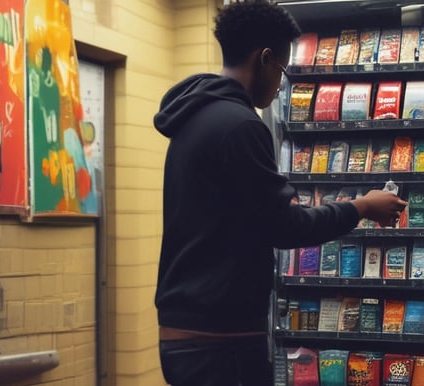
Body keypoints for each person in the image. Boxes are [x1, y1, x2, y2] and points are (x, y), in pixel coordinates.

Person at [152, 2, 407, 386]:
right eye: (282, 71)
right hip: (221, 341)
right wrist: (363, 206)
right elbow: (286, 227)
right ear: (265, 58)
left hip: (190, 333)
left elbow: (237, 215)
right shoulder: (240, 125)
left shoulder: (196, 117)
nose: (279, 84)